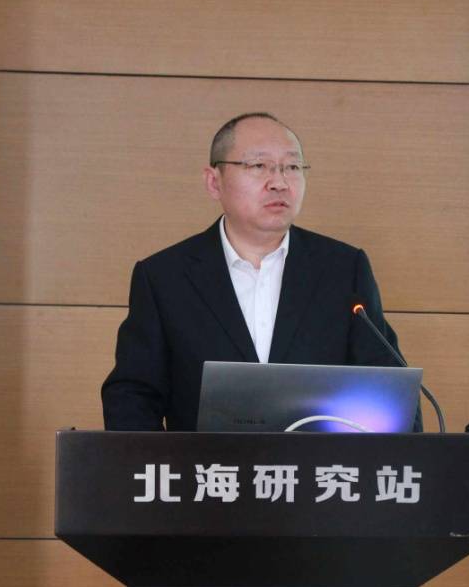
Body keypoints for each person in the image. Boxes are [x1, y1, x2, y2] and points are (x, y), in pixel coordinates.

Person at [102, 112, 420, 431]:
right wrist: (161, 462)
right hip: (204, 464)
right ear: (214, 182)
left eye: (292, 167)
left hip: (319, 463)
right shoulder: (164, 277)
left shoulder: (344, 269)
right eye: (258, 166)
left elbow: (388, 389)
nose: (279, 182)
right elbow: (132, 396)